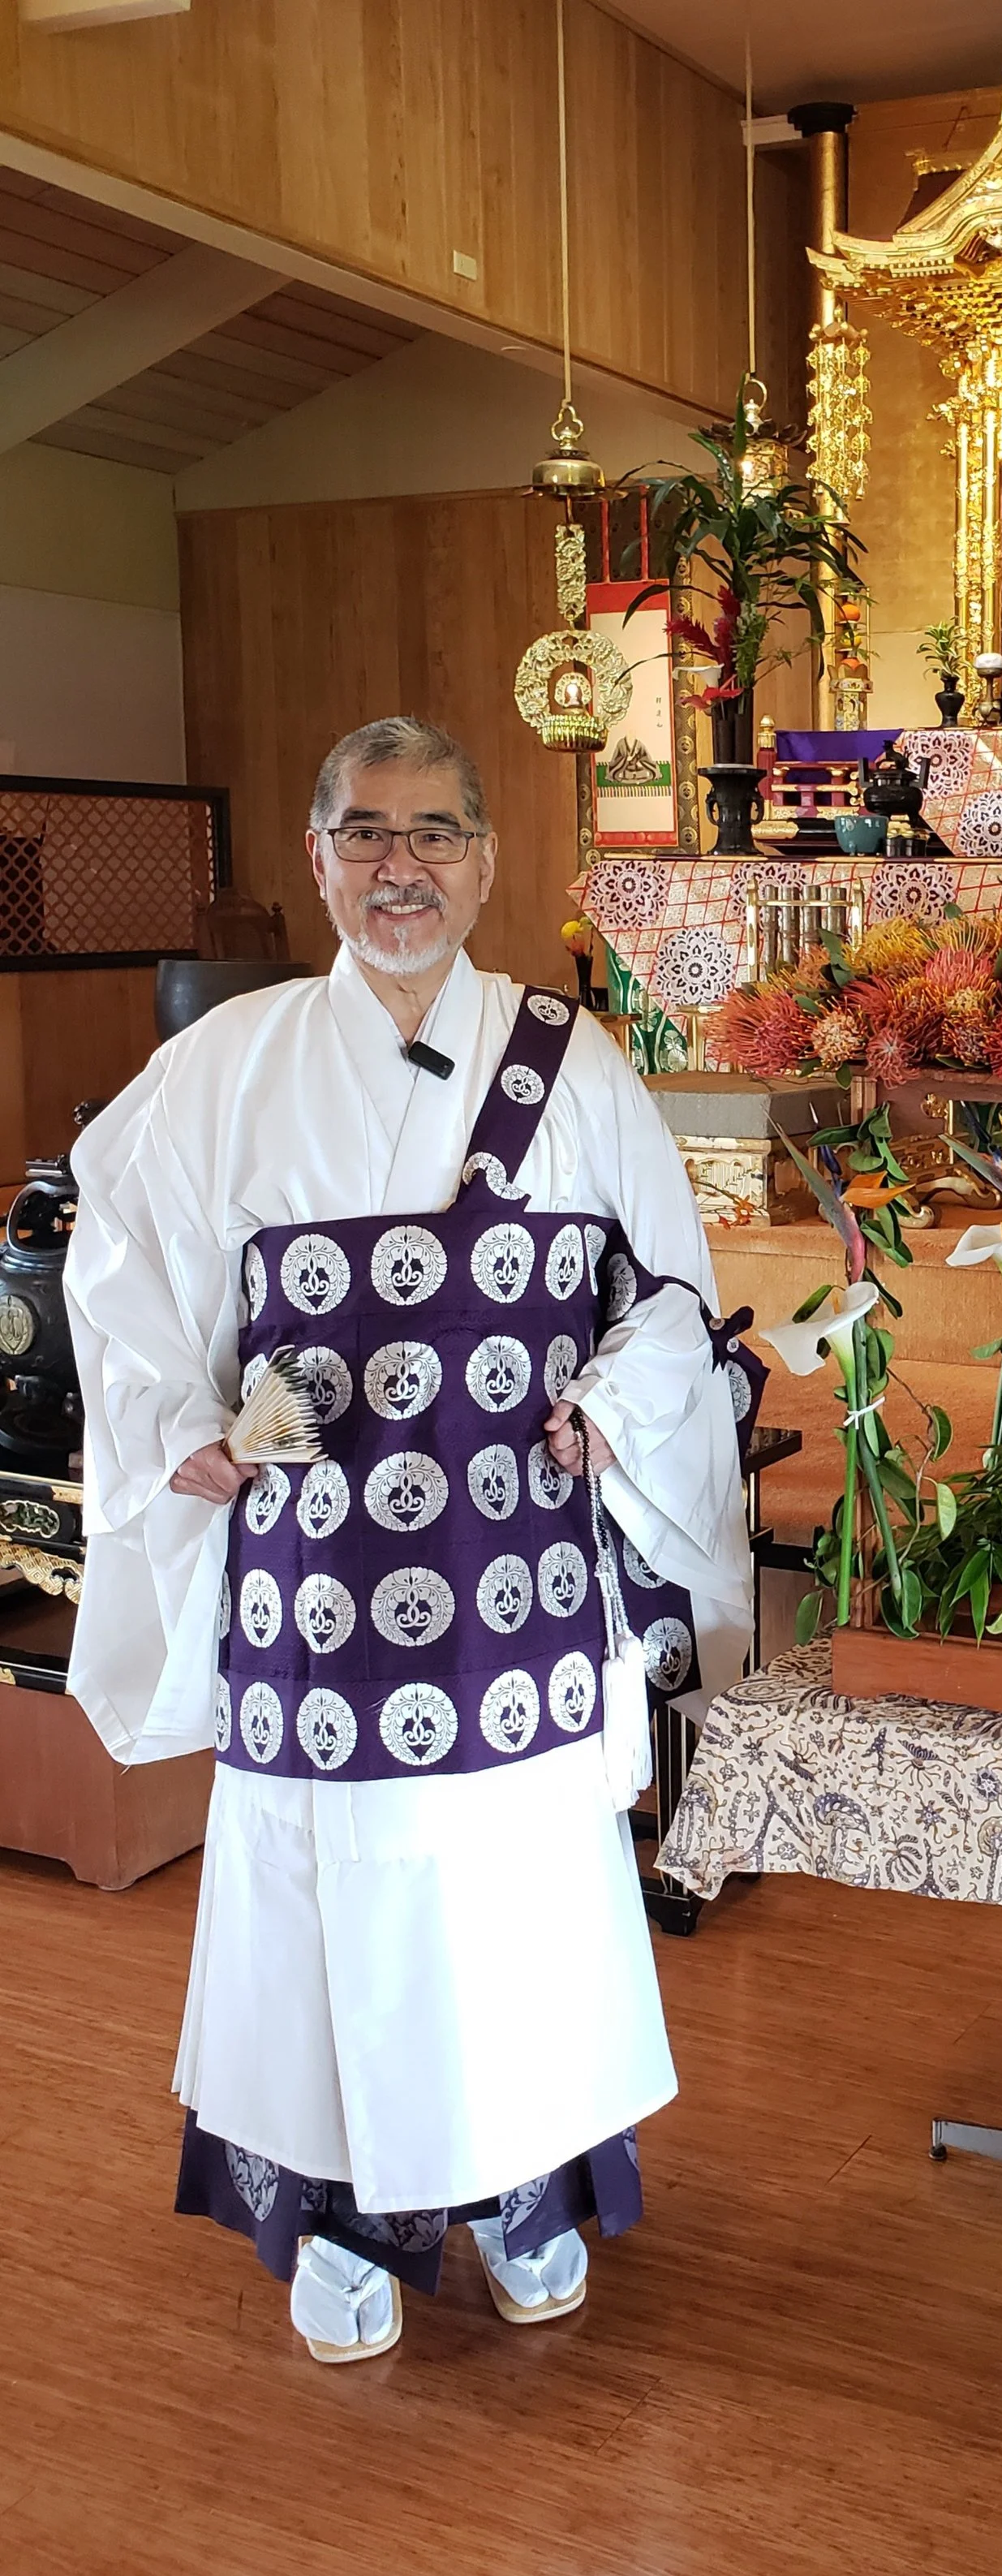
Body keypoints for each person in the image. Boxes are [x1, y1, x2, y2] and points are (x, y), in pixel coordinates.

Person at [66, 715, 756, 2364]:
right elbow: (117, 1264)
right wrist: (180, 1432)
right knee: (329, 1894)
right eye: (366, 835)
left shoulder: (571, 1065)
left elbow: (671, 1301)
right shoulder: (222, 1068)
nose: (401, 868)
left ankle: (523, 2184)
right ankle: (339, 2202)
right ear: (316, 858)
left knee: (514, 1888)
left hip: (510, 1587)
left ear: (486, 861)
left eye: (436, 833)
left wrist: (615, 1400)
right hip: (316, 1594)